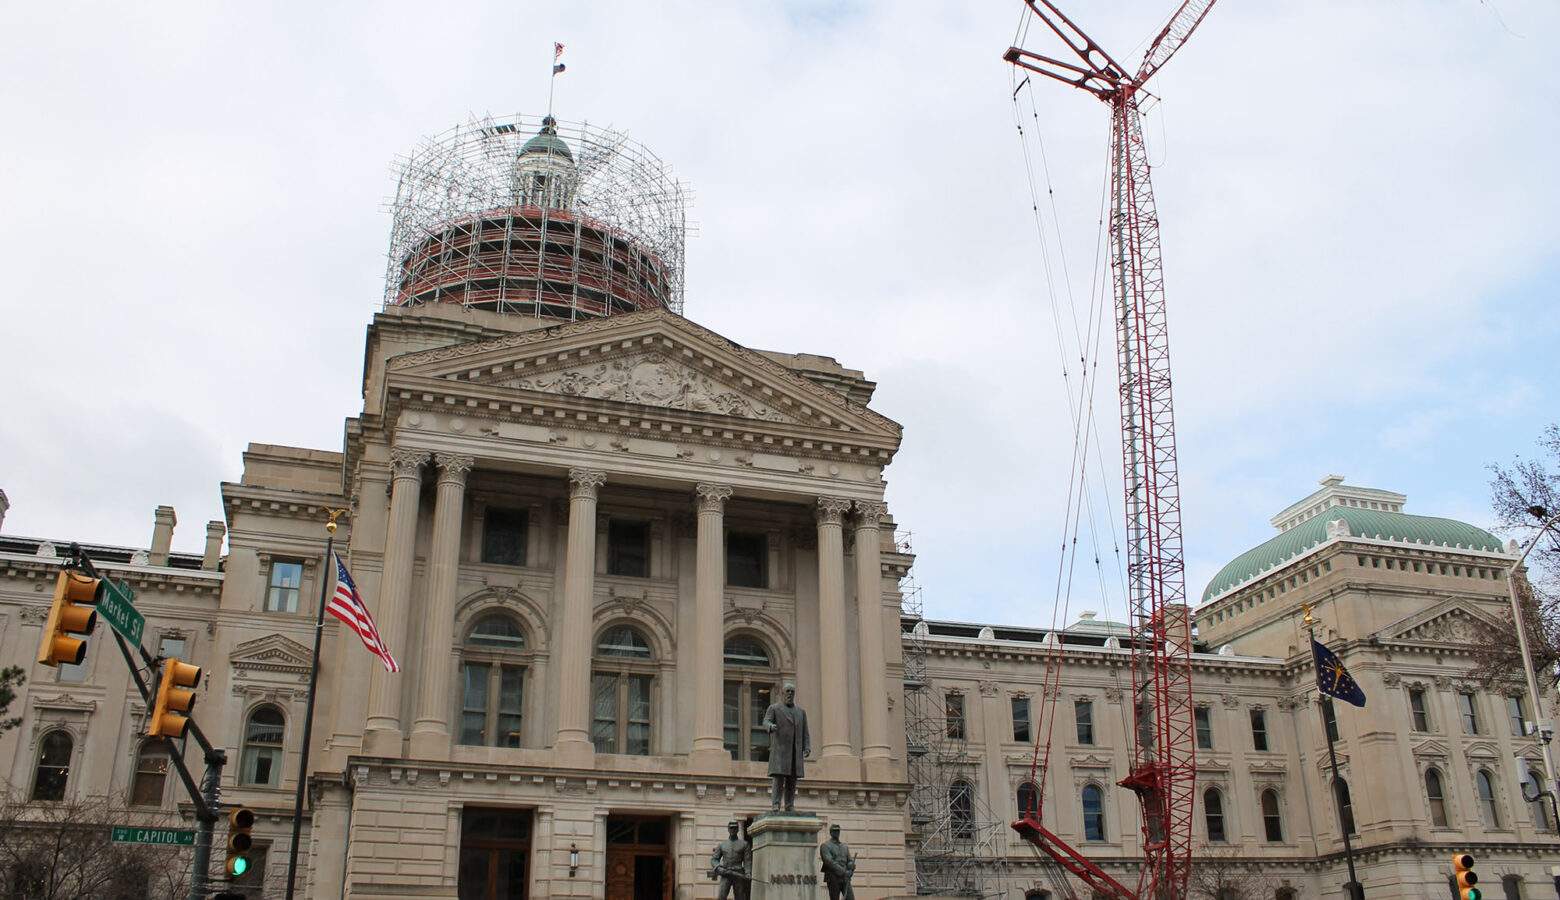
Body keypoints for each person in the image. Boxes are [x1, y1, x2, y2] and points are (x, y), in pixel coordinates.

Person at [762, 682, 810, 812]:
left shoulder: (801, 712)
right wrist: (770, 727)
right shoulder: (774, 708)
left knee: (791, 781)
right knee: (778, 779)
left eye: (792, 692)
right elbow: (766, 721)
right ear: (782, 693)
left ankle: (789, 805)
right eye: (787, 691)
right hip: (780, 750)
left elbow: (805, 731)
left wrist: (807, 746)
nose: (790, 694)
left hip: (795, 752)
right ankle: (776, 804)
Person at [709, 821, 750, 900]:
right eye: (731, 828)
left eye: (735, 828)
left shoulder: (744, 844)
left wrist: (748, 873)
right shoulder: (722, 845)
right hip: (726, 873)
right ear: (728, 829)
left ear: (738, 829)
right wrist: (719, 868)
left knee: (740, 897)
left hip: (738, 873)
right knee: (721, 896)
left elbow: (747, 861)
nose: (733, 830)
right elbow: (714, 859)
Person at [819, 823, 856, 900]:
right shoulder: (825, 846)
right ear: (831, 832)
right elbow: (830, 862)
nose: (836, 833)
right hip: (833, 878)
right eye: (834, 831)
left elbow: (849, 860)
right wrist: (844, 872)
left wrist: (851, 865)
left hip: (845, 878)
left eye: (838, 831)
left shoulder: (844, 847)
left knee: (850, 898)